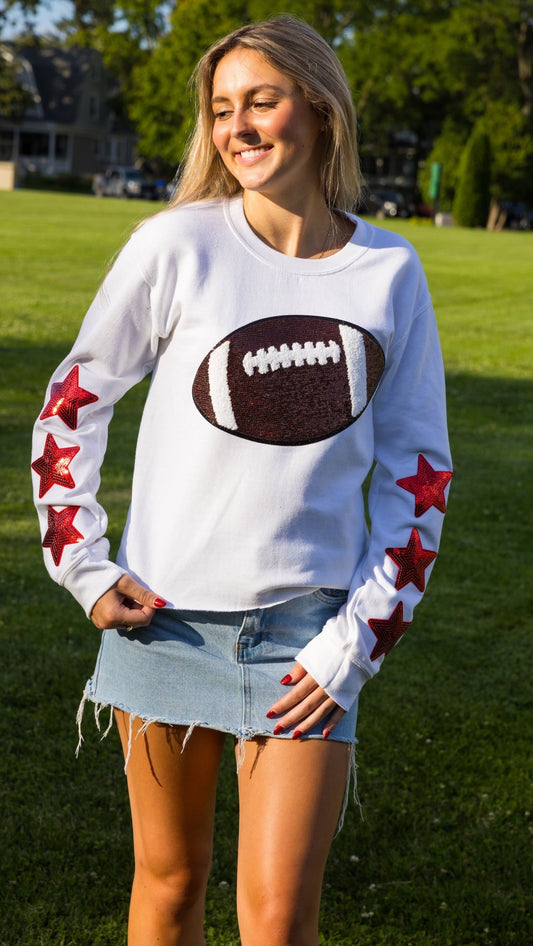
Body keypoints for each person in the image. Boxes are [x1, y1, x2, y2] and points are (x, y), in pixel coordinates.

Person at [31, 16, 452, 946]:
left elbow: (419, 472)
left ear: (320, 109)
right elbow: (71, 405)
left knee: (275, 917)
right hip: (164, 622)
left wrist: (358, 642)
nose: (239, 126)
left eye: (261, 100)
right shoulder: (175, 244)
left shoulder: (387, 269)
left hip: (307, 638)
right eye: (222, 109)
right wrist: (86, 567)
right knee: (170, 886)